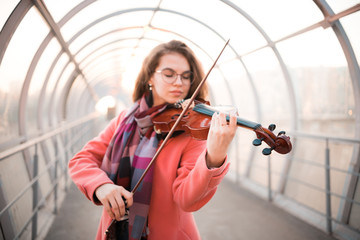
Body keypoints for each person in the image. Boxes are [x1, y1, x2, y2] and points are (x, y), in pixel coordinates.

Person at [68, 40, 237, 240]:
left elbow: (187, 200)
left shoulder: (191, 130)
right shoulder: (126, 119)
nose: (178, 82)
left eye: (186, 76)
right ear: (150, 77)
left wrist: (214, 158)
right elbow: (81, 160)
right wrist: (101, 186)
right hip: (117, 231)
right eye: (168, 74)